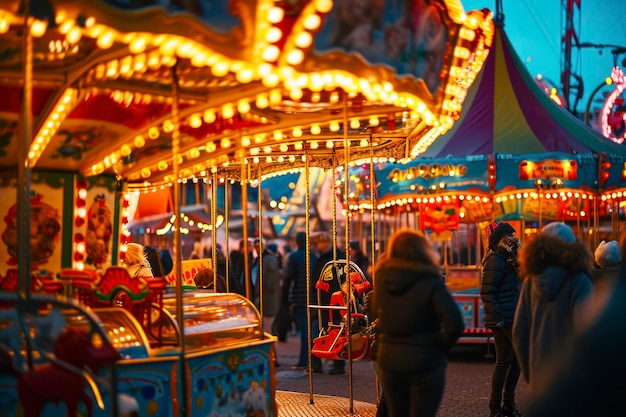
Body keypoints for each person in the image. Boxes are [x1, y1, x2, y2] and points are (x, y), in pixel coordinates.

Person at [522, 232, 626, 416]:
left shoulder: (530, 281)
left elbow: (519, 330)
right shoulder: (581, 280)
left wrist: (528, 372)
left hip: (548, 369)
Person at [373, 228, 464, 417]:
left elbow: (375, 310)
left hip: (390, 360)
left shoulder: (383, 280)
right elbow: (455, 323)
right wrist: (438, 348)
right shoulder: (431, 281)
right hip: (425, 362)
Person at [480, 222, 522, 417]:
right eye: (510, 235)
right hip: (503, 318)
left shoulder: (508, 258)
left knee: (506, 360)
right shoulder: (496, 260)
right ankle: (501, 405)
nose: (514, 238)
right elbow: (487, 292)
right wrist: (497, 317)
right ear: (501, 239)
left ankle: (502, 405)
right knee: (512, 359)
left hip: (508, 316)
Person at [280, 231, 322, 372]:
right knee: (311, 330)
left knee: (305, 331)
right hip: (312, 298)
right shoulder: (313, 257)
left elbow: (288, 278)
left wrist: (284, 298)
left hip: (299, 299)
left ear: (296, 242)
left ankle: (304, 360)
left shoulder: (294, 257)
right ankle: (311, 359)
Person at [311, 231, 348, 375]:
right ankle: (325, 362)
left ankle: (332, 363)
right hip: (326, 301)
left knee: (333, 332)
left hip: (330, 302)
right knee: (331, 332)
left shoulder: (333, 260)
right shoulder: (326, 259)